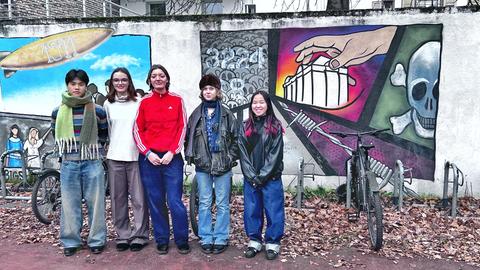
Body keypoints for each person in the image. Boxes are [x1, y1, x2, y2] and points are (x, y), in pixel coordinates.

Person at [133, 64, 190, 255]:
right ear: (149, 80)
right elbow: (137, 130)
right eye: (154, 76)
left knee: (175, 201)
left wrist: (172, 151)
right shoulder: (144, 102)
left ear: (167, 79)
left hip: (171, 159)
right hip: (149, 160)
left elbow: (183, 127)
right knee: (156, 201)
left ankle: (182, 239)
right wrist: (147, 153)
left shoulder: (177, 100)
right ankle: (162, 239)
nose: (158, 78)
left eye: (161, 75)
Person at [51, 69, 108, 257]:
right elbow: (56, 134)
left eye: (81, 84)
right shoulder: (58, 111)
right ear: (67, 85)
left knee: (96, 203)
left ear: (86, 86)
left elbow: (103, 134)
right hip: (69, 162)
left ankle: (96, 240)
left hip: (92, 162)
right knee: (69, 204)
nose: (77, 87)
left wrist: (90, 148)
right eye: (73, 84)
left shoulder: (97, 110)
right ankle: (70, 241)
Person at [184, 74, 239, 254]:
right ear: (202, 92)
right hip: (203, 166)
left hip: (223, 165)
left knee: (223, 203)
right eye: (205, 89)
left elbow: (236, 139)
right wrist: (193, 157)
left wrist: (229, 158)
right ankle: (206, 236)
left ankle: (221, 236)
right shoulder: (195, 115)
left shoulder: (227, 114)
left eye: (211, 89)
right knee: (205, 202)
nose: (208, 92)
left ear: (217, 91)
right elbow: (188, 138)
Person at [104, 67, 149, 252]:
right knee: (118, 198)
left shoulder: (139, 102)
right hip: (115, 156)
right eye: (116, 80)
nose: (120, 83)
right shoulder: (108, 104)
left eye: (123, 80)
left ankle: (140, 235)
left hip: (136, 156)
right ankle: (123, 234)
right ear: (112, 83)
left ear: (129, 81)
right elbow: (108, 130)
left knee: (139, 199)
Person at [238, 90, 285, 260]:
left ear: (267, 105)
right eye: (255, 102)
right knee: (252, 210)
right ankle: (254, 240)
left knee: (274, 210)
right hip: (251, 179)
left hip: (270, 178)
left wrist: (262, 176)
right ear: (251, 106)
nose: (258, 105)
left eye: (261, 102)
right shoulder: (244, 126)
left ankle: (272, 243)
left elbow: (275, 154)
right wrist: (252, 176)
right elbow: (242, 153)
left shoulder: (275, 126)